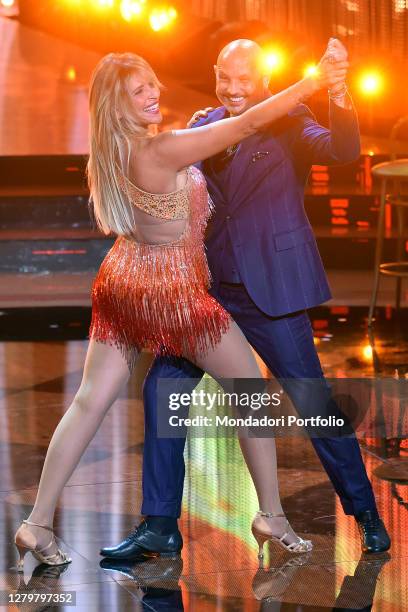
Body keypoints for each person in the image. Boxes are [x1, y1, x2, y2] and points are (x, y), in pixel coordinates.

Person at [13, 43, 341, 571]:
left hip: (121, 281)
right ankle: (272, 516)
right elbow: (244, 124)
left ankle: (36, 524)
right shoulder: (161, 149)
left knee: (89, 401)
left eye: (151, 82)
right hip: (171, 293)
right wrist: (314, 81)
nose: (154, 92)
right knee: (250, 391)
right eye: (138, 90)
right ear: (115, 104)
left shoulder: (112, 148)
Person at [100, 38, 391, 562]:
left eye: (244, 80)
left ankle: (366, 513)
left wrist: (341, 96)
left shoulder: (292, 117)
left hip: (272, 288)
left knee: (313, 403)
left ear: (267, 80)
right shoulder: (203, 123)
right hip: (207, 289)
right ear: (215, 74)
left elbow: (343, 152)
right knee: (163, 391)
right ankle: (159, 525)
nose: (233, 90)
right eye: (224, 78)